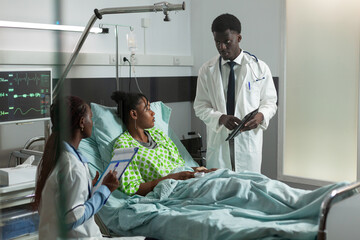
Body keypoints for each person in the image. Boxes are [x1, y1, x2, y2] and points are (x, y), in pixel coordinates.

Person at [193, 13, 277, 173]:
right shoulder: (207, 70)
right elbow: (200, 106)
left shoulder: (259, 68)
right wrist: (221, 118)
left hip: (248, 140)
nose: (222, 47)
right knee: (219, 188)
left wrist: (261, 116)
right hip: (219, 141)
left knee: (248, 189)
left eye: (227, 42)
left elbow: (270, 102)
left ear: (239, 38)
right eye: (217, 42)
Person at [33, 96, 119, 239]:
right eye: (91, 118)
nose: (93, 123)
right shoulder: (72, 165)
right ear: (82, 122)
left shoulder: (47, 160)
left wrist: (87, 188)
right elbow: (71, 219)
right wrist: (105, 190)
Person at [111, 91, 216, 196]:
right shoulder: (124, 145)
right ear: (134, 114)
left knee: (223, 176)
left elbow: (179, 166)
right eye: (147, 109)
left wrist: (197, 171)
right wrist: (173, 178)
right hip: (172, 190)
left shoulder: (158, 135)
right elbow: (132, 188)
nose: (153, 113)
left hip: (188, 181)